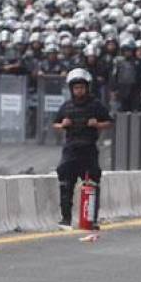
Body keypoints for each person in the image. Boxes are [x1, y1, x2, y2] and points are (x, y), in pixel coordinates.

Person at [53, 68, 113, 228]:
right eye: (76, 88)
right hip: (71, 149)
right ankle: (65, 219)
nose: (79, 91)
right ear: (71, 89)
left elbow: (109, 122)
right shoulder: (66, 106)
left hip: (89, 149)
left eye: (82, 87)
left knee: (92, 183)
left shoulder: (96, 105)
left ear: (87, 88)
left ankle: (91, 219)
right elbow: (55, 123)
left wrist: (98, 124)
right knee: (65, 183)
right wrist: (62, 125)